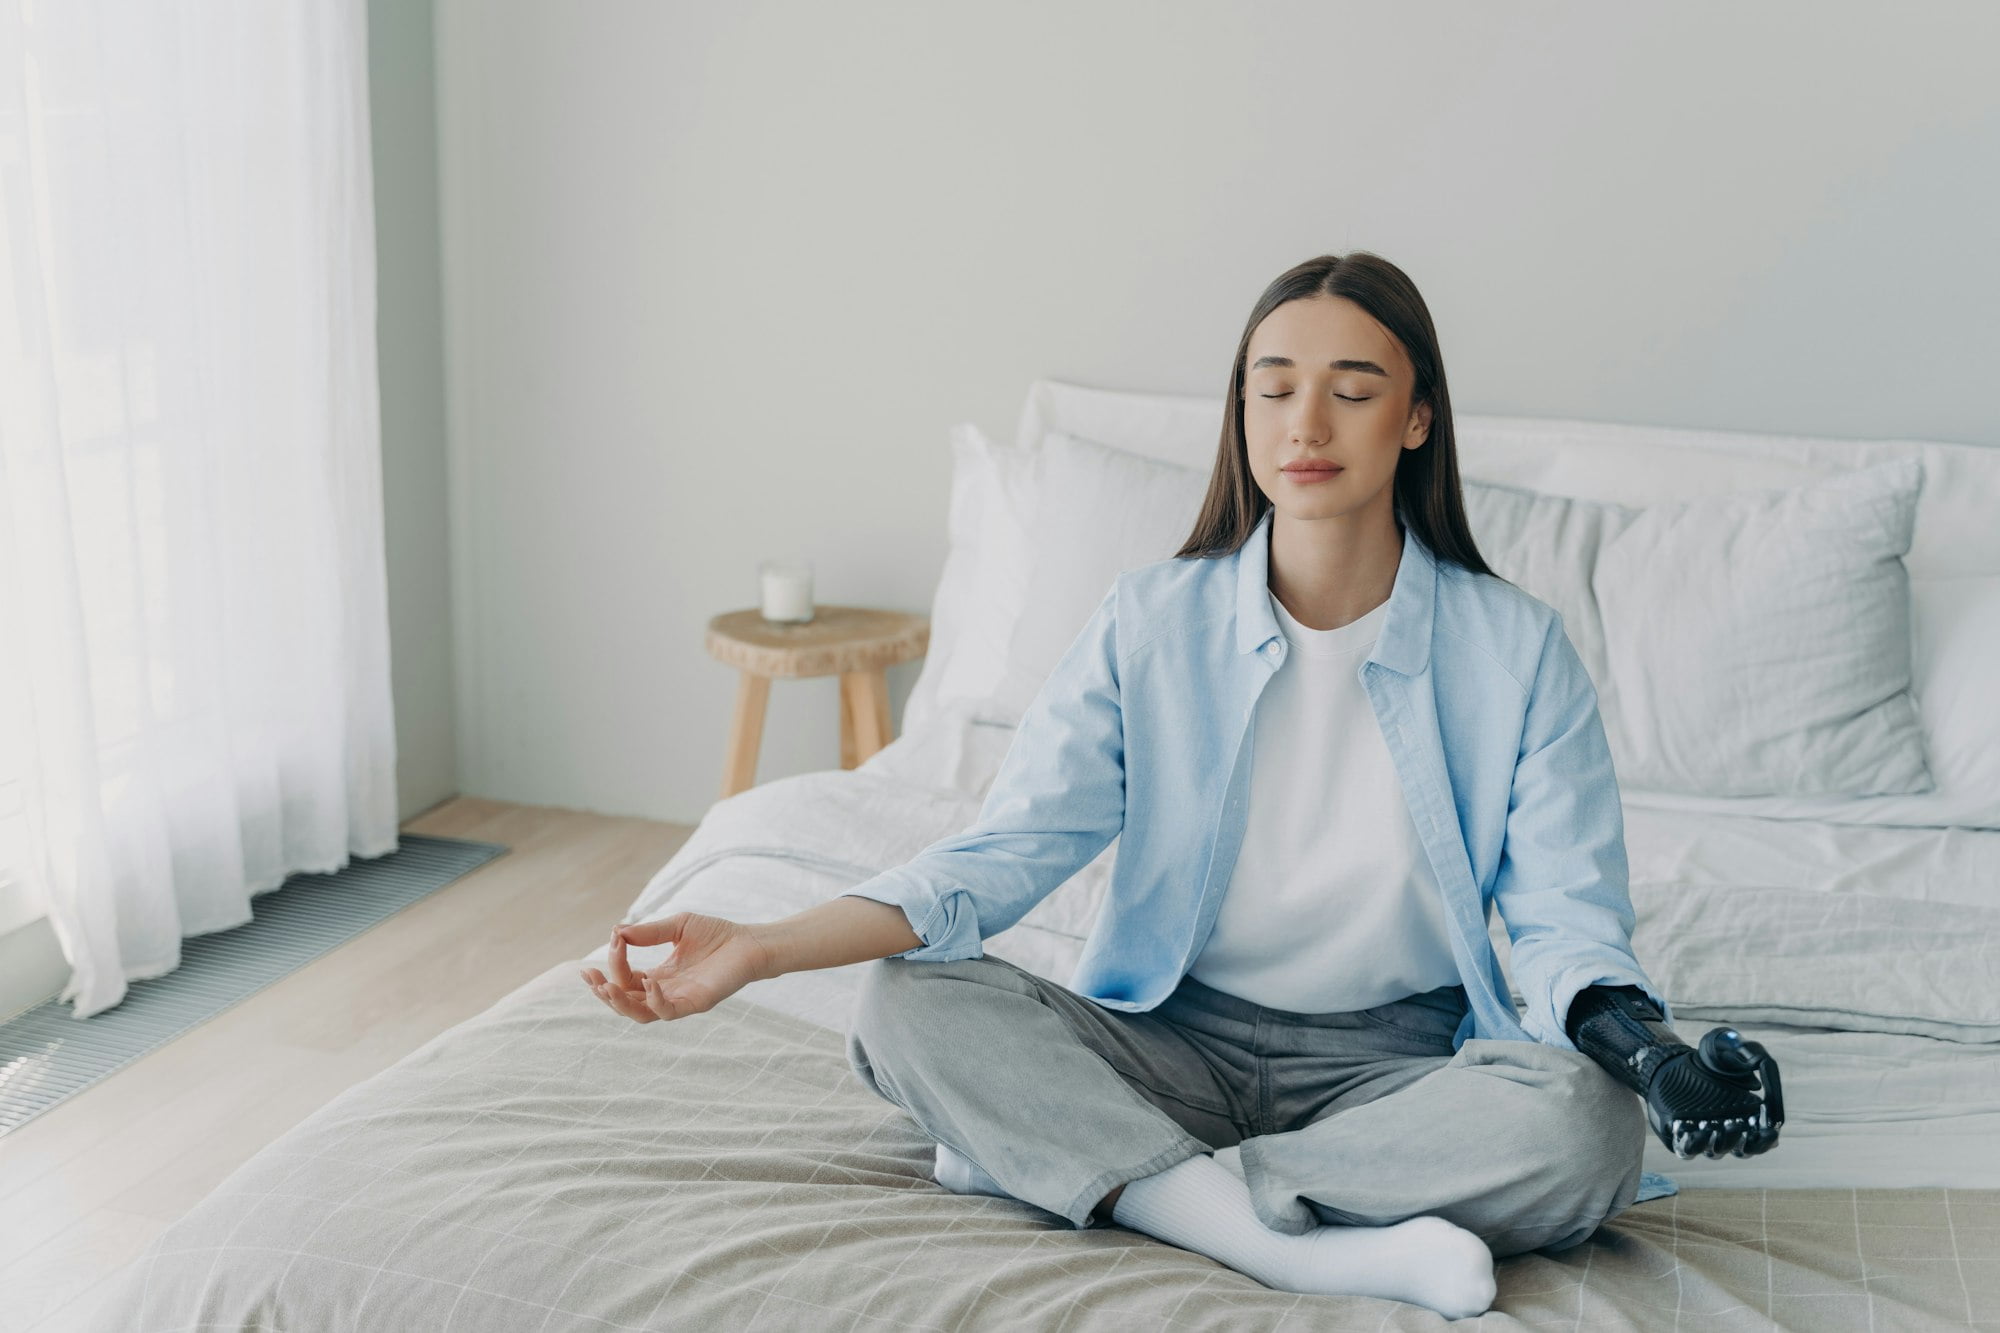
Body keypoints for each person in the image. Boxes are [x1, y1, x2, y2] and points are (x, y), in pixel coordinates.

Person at [580, 252, 1782, 1321]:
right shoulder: (1147, 622)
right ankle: (1282, 1243)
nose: (1304, 419)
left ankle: (1090, 1167)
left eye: (1352, 389)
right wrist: (760, 945)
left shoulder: (1515, 649)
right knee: (907, 1005)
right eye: (1271, 387)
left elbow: (1568, 920)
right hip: (1168, 1036)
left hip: (1396, 1070)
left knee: (1585, 1125)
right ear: (1241, 414)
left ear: (1415, 418)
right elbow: (998, 857)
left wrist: (1651, 1053)